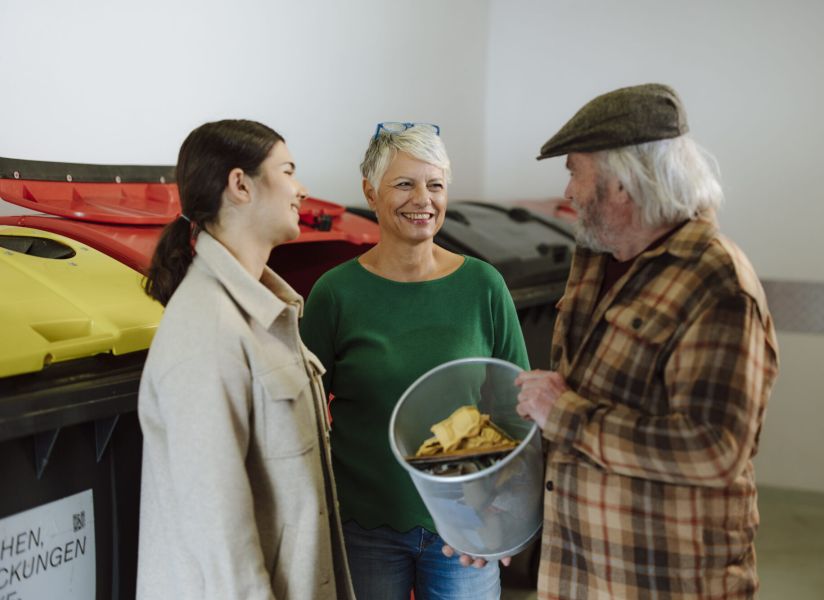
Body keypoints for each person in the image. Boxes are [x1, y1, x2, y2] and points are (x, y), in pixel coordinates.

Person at [511, 84, 780, 598]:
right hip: (578, 571)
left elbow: (713, 448)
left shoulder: (716, 281)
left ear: (620, 183)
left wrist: (564, 412)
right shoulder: (594, 259)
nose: (568, 191)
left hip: (665, 579)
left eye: (575, 171)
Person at [300, 122, 530, 600]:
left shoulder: (482, 286)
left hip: (465, 528)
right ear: (370, 190)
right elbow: (302, 412)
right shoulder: (336, 293)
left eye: (436, 185)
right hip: (365, 526)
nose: (422, 199)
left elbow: (515, 406)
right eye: (404, 183)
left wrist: (503, 507)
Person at [137, 119, 354, 599]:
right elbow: (218, 535)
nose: (301, 189)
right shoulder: (207, 329)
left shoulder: (267, 311)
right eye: (288, 171)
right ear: (240, 185)